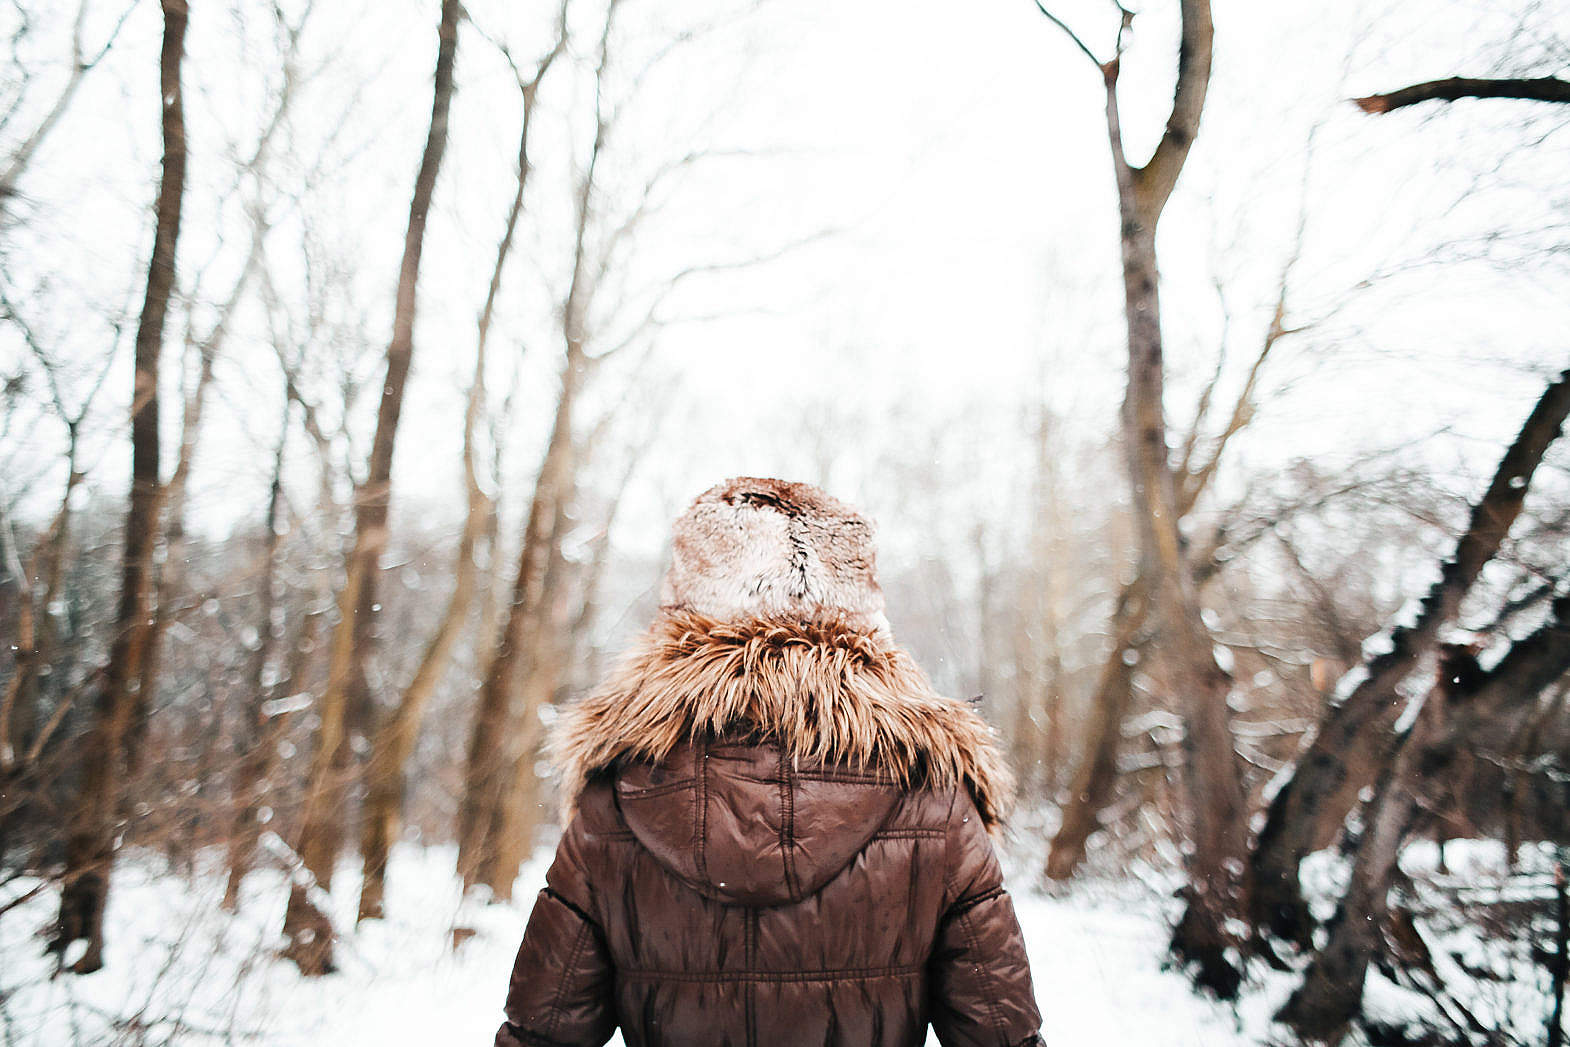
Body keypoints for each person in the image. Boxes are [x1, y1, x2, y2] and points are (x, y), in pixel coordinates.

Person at [493, 477, 1044, 1047]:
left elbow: (546, 1029)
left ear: (684, 611)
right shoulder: (933, 795)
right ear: (864, 618)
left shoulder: (620, 791)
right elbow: (998, 1032)